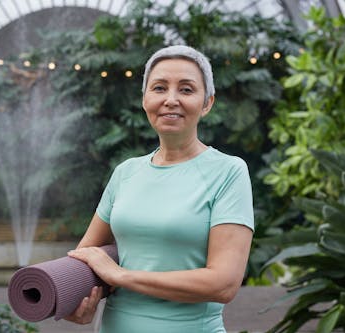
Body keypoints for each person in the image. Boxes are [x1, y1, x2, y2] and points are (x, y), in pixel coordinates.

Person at [65, 45, 254, 333]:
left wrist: (121, 276)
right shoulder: (126, 173)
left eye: (187, 90)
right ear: (145, 100)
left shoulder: (228, 172)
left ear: (207, 103)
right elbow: (86, 257)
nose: (171, 99)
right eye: (159, 88)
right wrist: (72, 298)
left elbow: (224, 283)